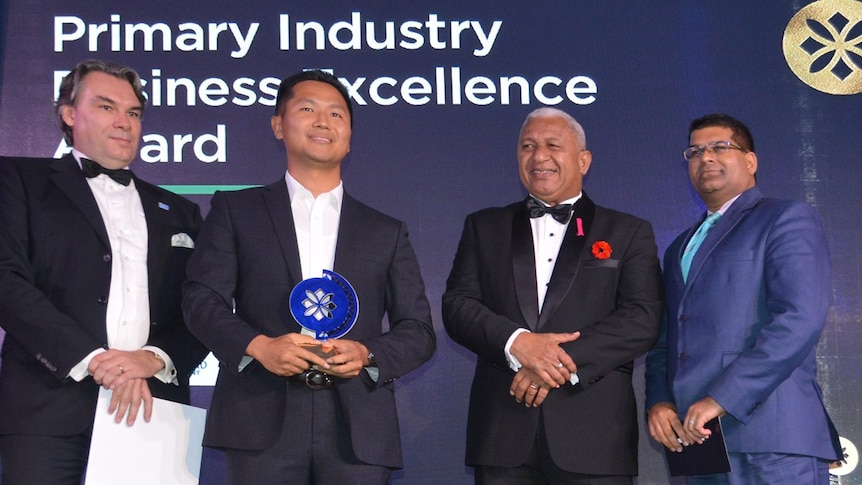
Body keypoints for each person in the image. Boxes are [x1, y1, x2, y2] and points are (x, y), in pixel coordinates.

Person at [182, 69, 436, 485]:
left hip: (358, 426)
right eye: (307, 109)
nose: (323, 121)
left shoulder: (385, 231)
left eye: (337, 114)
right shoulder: (236, 212)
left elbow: (418, 330)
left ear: (350, 135)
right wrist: (258, 346)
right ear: (278, 125)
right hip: (261, 417)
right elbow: (200, 302)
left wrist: (367, 355)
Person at [0, 59, 207, 484]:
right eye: (106, 107)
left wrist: (150, 360)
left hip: (154, 409)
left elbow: (203, 307)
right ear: (69, 114)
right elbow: (6, 281)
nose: (123, 122)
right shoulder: (17, 179)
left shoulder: (181, 210)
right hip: (48, 413)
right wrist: (97, 361)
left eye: (132, 113)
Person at [442, 107, 663, 484]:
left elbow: (642, 319)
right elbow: (458, 306)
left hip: (594, 439)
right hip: (502, 435)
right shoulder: (484, 226)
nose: (538, 156)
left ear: (583, 160)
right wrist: (518, 344)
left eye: (552, 145)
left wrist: (555, 361)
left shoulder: (628, 231)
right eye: (527, 146)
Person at [644, 113, 842, 484]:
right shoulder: (678, 248)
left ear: (750, 161)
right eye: (695, 151)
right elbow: (664, 341)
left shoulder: (786, 218)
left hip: (772, 440)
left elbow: (799, 319)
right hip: (699, 443)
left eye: (721, 147)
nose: (706, 157)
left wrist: (722, 398)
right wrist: (659, 402)